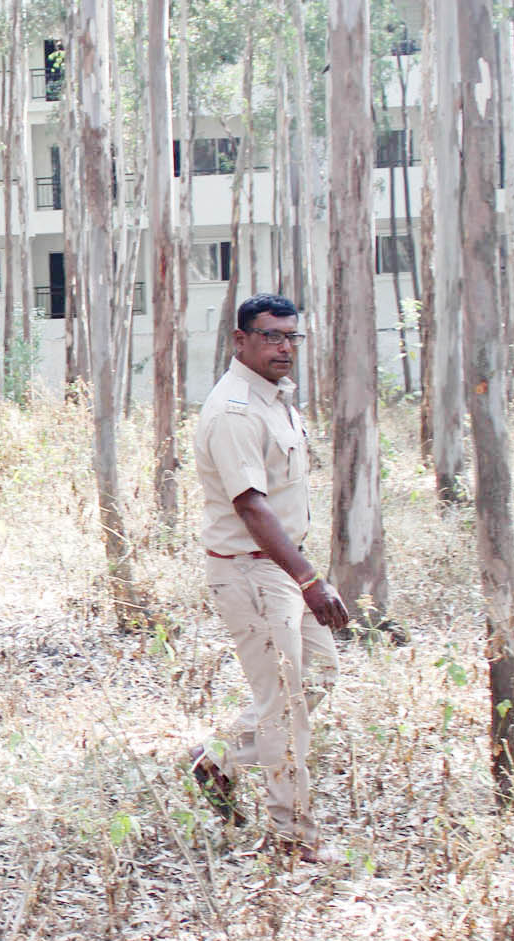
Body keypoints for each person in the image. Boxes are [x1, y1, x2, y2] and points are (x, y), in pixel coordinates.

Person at [188, 292, 349, 864]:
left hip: (283, 566)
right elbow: (253, 508)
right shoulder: (234, 410)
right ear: (241, 340)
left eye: (291, 336)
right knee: (285, 705)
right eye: (271, 336)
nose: (284, 347)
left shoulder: (276, 400)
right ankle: (290, 838)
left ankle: (218, 759)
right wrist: (310, 580)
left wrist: (303, 575)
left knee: (320, 674)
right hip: (253, 572)